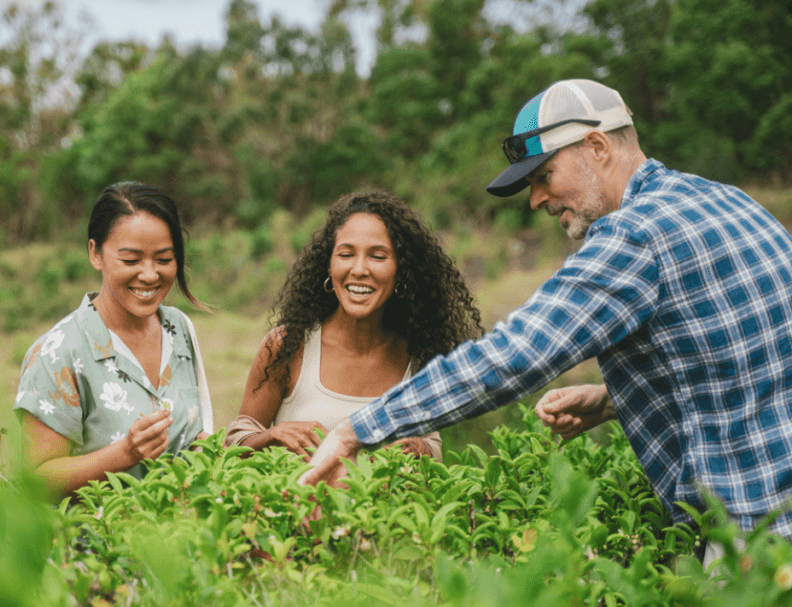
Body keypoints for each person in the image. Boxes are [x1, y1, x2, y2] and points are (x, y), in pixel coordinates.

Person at [300, 79, 792, 550]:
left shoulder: (635, 236)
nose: (536, 200)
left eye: (544, 177)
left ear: (597, 147)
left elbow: (513, 356)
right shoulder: (729, 202)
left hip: (759, 539)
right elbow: (753, 357)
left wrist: (356, 430)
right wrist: (612, 399)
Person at [225, 190, 483, 463]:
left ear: (401, 271)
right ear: (328, 266)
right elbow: (236, 443)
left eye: (378, 256)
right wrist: (274, 435)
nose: (359, 269)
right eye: (346, 254)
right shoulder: (287, 346)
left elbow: (432, 447)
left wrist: (420, 448)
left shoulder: (418, 357)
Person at [15, 182, 213, 498]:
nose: (149, 275)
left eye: (163, 259)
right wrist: (124, 455)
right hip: (100, 542)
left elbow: (194, 436)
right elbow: (37, 479)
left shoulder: (179, 328)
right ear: (96, 254)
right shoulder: (58, 352)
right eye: (131, 260)